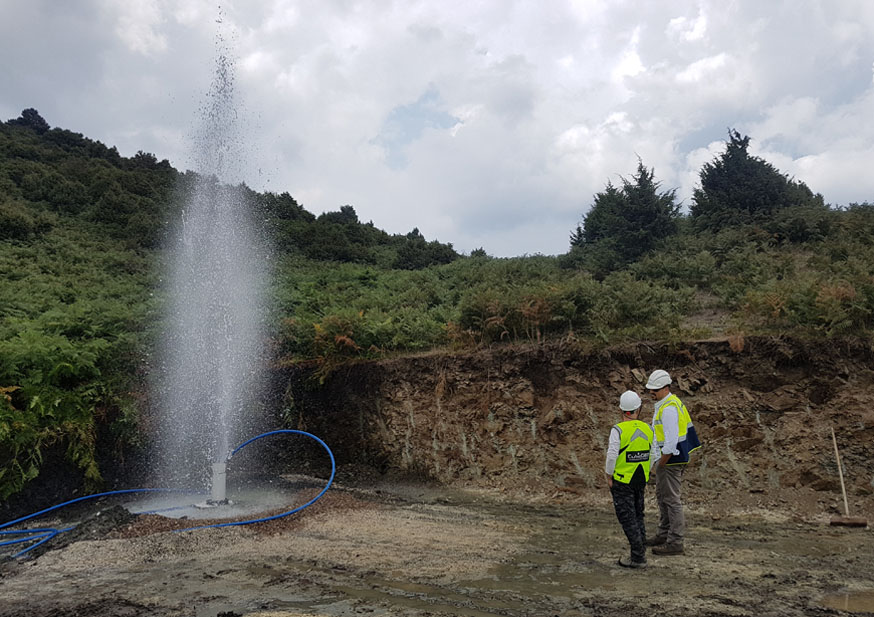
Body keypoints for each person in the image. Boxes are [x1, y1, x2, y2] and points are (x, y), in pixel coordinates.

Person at [645, 369, 701, 556]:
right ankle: (663, 534)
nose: (651, 392)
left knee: (671, 500)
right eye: (650, 389)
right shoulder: (667, 404)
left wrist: (661, 462)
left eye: (654, 389)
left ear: (665, 387)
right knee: (663, 498)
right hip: (671, 459)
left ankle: (675, 541)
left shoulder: (668, 408)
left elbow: (670, 442)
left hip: (670, 460)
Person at [605, 390, 654, 568]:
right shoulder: (648, 429)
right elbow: (654, 453)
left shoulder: (618, 430)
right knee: (638, 514)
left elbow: (612, 456)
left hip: (622, 481)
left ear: (621, 410)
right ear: (638, 409)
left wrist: (608, 475)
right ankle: (640, 550)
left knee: (627, 517)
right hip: (640, 479)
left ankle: (638, 556)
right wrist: (646, 472)